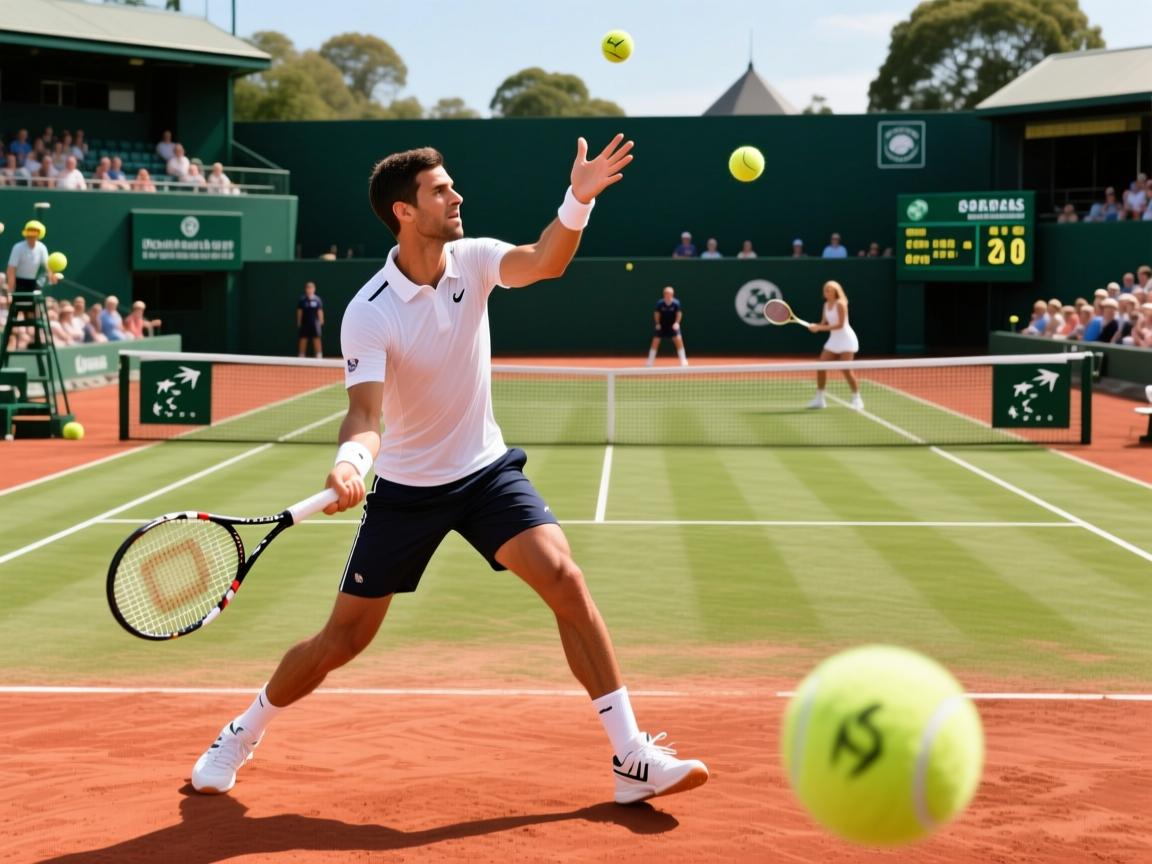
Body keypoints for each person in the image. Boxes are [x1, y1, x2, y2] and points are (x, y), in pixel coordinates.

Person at [189, 136, 709, 806]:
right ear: (405, 212)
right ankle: (242, 729)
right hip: (407, 490)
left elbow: (545, 262)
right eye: (440, 190)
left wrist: (577, 198)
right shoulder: (368, 311)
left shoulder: (476, 259)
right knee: (341, 640)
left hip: (487, 472)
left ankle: (631, 757)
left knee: (565, 579)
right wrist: (350, 463)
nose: (457, 196)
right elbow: (365, 414)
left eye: (452, 186)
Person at [806, 280, 862, 410]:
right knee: (821, 366)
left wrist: (819, 328)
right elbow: (824, 323)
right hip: (834, 340)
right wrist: (816, 326)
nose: (827, 292)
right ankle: (820, 399)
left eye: (830, 290)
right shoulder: (826, 305)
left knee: (846, 369)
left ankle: (856, 398)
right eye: (825, 290)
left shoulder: (841, 304)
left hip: (847, 339)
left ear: (836, 291)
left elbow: (840, 325)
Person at [6, 221, 56, 292]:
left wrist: (52, 277)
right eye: (29, 232)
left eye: (34, 232)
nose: (31, 235)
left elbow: (47, 266)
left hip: (33, 283)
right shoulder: (18, 247)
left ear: (39, 234)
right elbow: (11, 269)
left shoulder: (42, 247)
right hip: (18, 283)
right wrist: (11, 288)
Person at [646, 285, 688, 367]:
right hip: (662, 326)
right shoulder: (660, 303)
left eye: (670, 294)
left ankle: (683, 360)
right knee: (655, 341)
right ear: (664, 294)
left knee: (678, 340)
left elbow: (679, 314)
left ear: (672, 295)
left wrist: (677, 323)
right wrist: (657, 324)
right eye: (666, 294)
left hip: (672, 326)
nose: (668, 295)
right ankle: (650, 362)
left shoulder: (676, 303)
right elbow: (656, 314)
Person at [296, 281, 325, 358]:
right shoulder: (302, 300)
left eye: (311, 288)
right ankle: (301, 356)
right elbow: (299, 312)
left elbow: (320, 311)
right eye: (308, 288)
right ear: (306, 289)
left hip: (315, 324)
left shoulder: (317, 300)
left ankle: (319, 356)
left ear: (314, 289)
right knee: (303, 339)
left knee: (317, 340)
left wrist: (321, 320)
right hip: (305, 323)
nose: (310, 290)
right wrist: (299, 321)